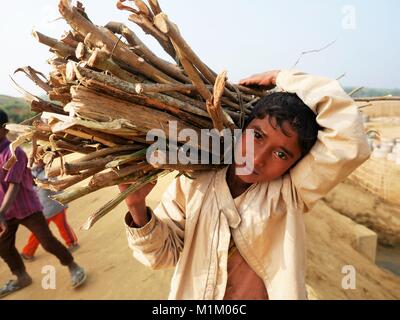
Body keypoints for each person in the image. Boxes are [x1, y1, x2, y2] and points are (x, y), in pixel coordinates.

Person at [119, 70, 371, 300]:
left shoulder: (291, 192)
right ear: (241, 129)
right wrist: (136, 206)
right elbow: (162, 256)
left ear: (295, 164)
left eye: (281, 154)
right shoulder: (193, 183)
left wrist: (282, 77)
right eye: (257, 136)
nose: (257, 158)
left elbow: (350, 139)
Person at [0, 110, 86, 298]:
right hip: (4, 212)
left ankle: (73, 266)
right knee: (4, 247)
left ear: (3, 129)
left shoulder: (14, 152)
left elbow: (14, 186)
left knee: (47, 242)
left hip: (26, 208)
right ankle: (21, 277)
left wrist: (1, 212)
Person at [21, 159, 79, 260]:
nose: (36, 162)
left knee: (63, 226)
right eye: (34, 160)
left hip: (56, 206)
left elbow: (53, 184)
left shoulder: (49, 173)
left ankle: (72, 243)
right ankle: (28, 252)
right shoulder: (32, 172)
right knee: (38, 232)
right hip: (42, 211)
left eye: (38, 160)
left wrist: (38, 182)